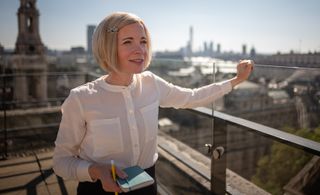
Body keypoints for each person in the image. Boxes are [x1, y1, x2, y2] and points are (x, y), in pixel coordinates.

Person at [53, 12, 254, 195]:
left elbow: (192, 97)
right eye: (128, 42)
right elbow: (61, 162)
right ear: (108, 47)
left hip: (147, 185)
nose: (139, 49)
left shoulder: (151, 83)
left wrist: (235, 80)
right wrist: (95, 171)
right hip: (99, 189)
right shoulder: (81, 99)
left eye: (143, 41)